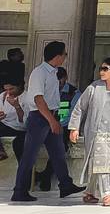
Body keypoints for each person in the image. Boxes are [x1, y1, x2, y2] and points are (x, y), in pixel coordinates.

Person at [9, 40, 84, 202]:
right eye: (64, 54)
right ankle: (19, 190)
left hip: (50, 116)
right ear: (57, 56)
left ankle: (65, 185)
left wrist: (53, 119)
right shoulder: (39, 72)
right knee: (29, 155)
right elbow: (38, 99)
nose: (65, 57)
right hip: (41, 117)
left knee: (58, 153)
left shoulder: (52, 73)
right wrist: (51, 120)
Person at [66, 56, 110, 206]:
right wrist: (74, 127)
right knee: (102, 162)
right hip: (95, 132)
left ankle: (89, 192)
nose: (101, 72)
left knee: (100, 163)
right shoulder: (94, 87)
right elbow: (80, 107)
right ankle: (107, 194)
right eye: (101, 69)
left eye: (105, 69)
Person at [1, 79, 28, 162]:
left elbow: (24, 124)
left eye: (11, 89)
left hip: (18, 129)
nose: (9, 92)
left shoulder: (27, 98)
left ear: (19, 86)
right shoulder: (3, 95)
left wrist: (17, 106)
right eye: (6, 89)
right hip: (4, 124)